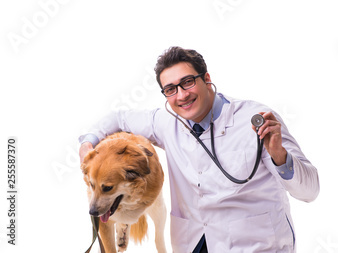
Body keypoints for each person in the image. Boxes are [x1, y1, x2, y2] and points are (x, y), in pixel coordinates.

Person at [78, 46, 319, 252]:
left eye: (187, 82)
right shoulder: (167, 122)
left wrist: (279, 155)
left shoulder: (256, 119)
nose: (181, 95)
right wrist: (87, 144)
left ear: (206, 79)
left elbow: (310, 191)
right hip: (193, 243)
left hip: (253, 244)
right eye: (170, 89)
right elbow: (118, 118)